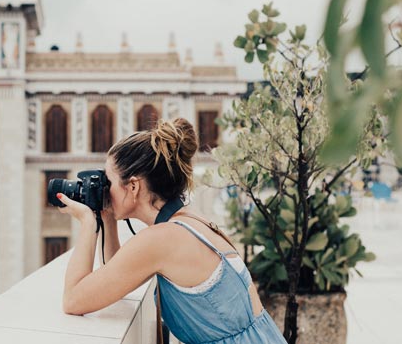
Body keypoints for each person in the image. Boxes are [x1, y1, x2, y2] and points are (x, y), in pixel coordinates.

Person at [55, 118, 287, 344]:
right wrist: (106, 217)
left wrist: (87, 223)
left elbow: (74, 300)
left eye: (109, 182)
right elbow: (117, 274)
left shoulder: (162, 239)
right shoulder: (189, 221)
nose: (105, 189)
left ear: (133, 186)